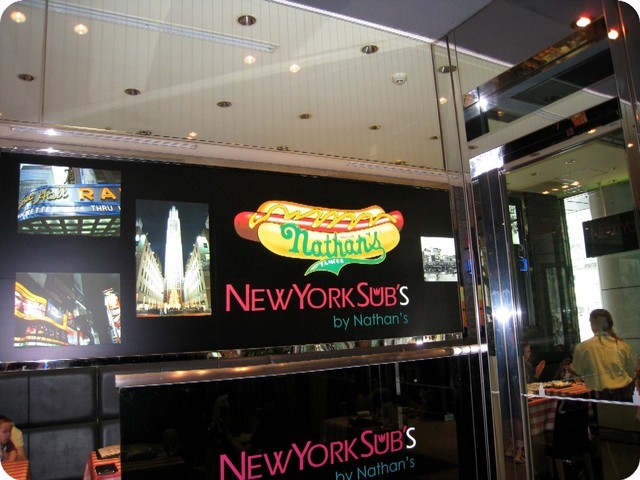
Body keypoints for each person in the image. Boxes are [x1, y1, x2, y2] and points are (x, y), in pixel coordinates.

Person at [572, 309, 636, 401]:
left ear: (592, 325)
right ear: (610, 324)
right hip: (625, 394)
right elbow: (631, 373)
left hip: (599, 396)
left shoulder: (582, 348)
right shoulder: (623, 346)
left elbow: (578, 372)